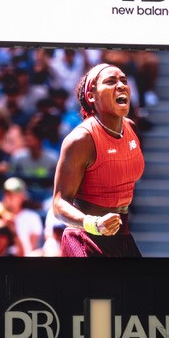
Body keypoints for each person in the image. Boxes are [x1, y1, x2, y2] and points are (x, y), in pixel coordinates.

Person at [52, 64, 145, 257]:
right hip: (85, 238)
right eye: (111, 81)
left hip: (122, 236)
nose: (120, 86)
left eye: (124, 81)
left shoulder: (132, 128)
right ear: (91, 96)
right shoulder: (81, 140)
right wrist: (93, 223)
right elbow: (59, 204)